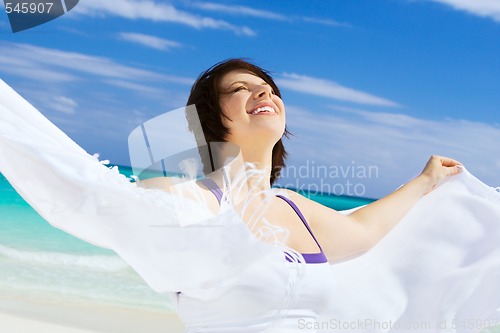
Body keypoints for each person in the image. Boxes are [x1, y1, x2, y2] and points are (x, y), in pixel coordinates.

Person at [0, 59, 499, 333]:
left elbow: (366, 230)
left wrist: (425, 181)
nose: (264, 94)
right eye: (241, 89)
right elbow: (125, 211)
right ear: (212, 119)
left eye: (268, 88)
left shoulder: (293, 210)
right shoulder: (189, 199)